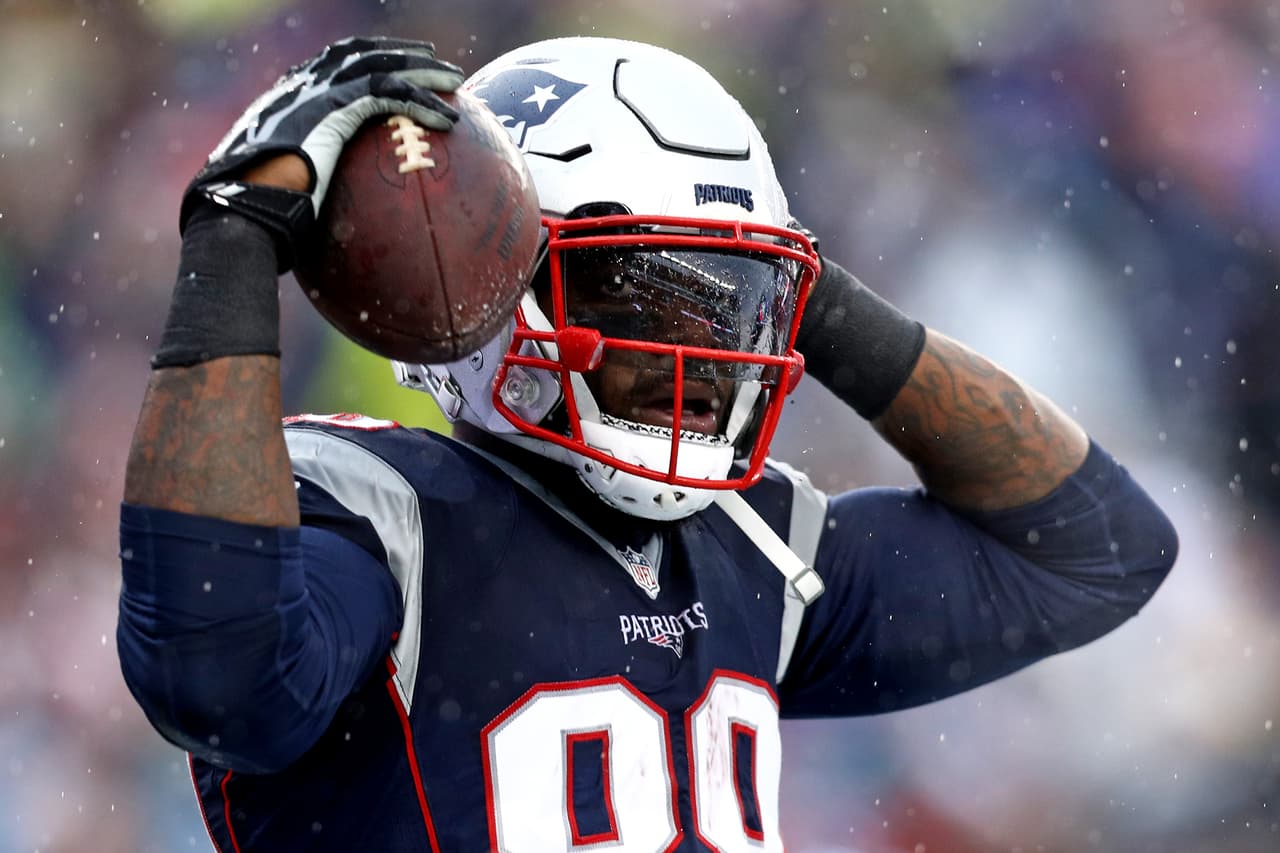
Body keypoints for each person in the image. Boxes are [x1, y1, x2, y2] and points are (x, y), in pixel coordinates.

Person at [116, 36, 1178, 851]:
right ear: (486, 291)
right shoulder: (384, 524)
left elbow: (1095, 549)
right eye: (650, 294)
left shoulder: (751, 546)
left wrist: (813, 303)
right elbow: (215, 674)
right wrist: (231, 246)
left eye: (730, 306)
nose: (707, 352)